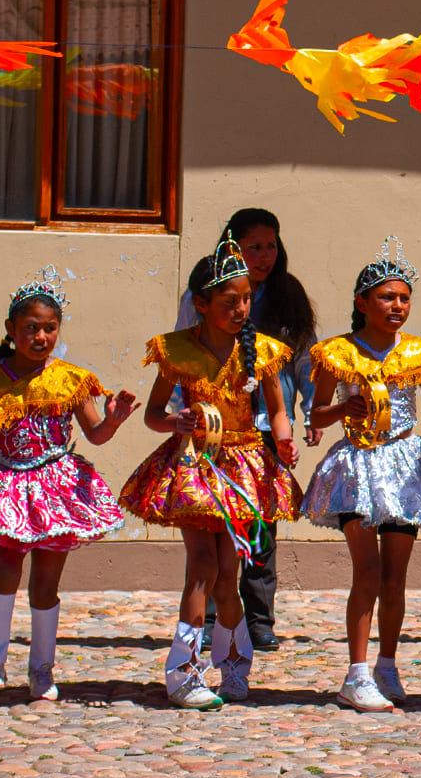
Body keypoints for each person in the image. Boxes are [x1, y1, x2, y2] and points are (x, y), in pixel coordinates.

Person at [0, 273, 139, 701]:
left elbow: (95, 433)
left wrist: (114, 419)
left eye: (49, 328)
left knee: (46, 582)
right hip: (7, 485)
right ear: (10, 329)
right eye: (31, 328)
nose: (41, 337)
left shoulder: (72, 379)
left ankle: (42, 669)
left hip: (55, 489)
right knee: (6, 570)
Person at [122, 239, 303, 709]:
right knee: (201, 566)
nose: (241, 309)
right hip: (194, 465)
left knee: (228, 575)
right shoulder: (177, 351)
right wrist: (176, 423)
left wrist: (284, 440)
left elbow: (278, 411)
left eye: (246, 300)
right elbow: (155, 415)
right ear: (201, 304)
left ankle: (235, 662)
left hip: (242, 466)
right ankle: (183, 670)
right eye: (229, 302)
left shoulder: (261, 352)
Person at [299, 239, 421, 712]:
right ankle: (357, 672)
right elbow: (317, 413)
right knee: (366, 571)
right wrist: (339, 410)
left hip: (405, 469)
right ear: (362, 302)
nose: (397, 306)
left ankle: (387, 664)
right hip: (359, 468)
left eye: (404, 298)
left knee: (394, 576)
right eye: (387, 297)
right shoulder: (337, 352)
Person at [175, 209, 316, 652]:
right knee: (211, 525)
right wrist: (183, 416)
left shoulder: (288, 295)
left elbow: (304, 360)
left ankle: (258, 619)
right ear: (232, 247)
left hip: (265, 430)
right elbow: (183, 355)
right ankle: (208, 617)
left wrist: (309, 411)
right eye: (254, 247)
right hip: (212, 432)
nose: (265, 255)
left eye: (271, 246)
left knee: (259, 528)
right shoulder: (203, 292)